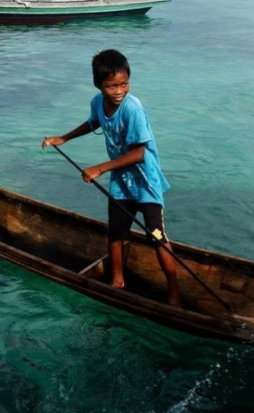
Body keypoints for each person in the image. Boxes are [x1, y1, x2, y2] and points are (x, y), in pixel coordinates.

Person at [42, 49, 181, 306]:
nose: (119, 91)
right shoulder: (97, 102)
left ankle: (173, 291)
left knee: (157, 237)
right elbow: (93, 122)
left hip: (146, 183)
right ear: (98, 84)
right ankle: (117, 281)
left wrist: (100, 168)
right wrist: (64, 138)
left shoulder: (132, 109)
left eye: (124, 84)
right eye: (112, 86)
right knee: (116, 233)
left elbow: (139, 153)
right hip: (121, 182)